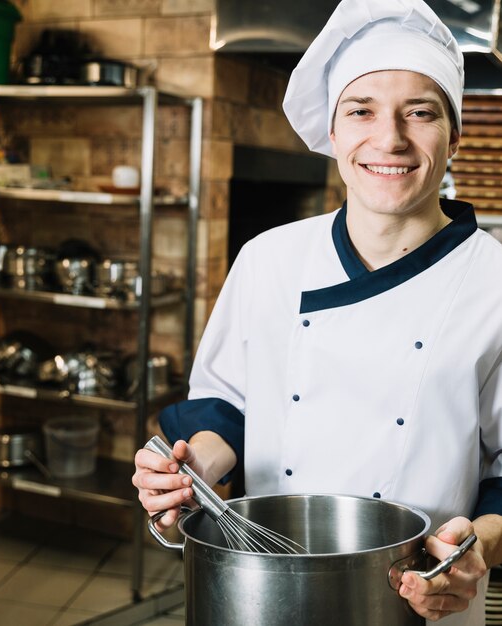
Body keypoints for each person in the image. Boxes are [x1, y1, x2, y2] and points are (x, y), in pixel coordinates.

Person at [132, 0, 502, 623]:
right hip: (264, 592)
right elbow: (226, 409)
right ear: (333, 134)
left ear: (456, 133)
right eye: (362, 111)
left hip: (423, 599)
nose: (390, 138)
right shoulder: (268, 259)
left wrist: (480, 546)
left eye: (420, 112)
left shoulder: (494, 281)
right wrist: (189, 467)